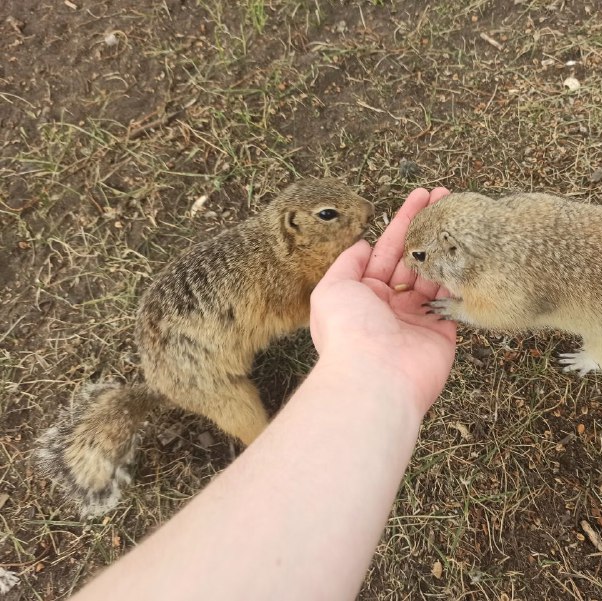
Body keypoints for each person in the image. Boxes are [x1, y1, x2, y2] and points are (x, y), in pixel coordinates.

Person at [72, 186, 457, 601]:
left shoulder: (276, 253)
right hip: (197, 374)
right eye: (329, 215)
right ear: (293, 226)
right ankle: (265, 450)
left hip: (190, 339)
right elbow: (291, 312)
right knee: (243, 410)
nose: (365, 214)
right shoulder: (274, 269)